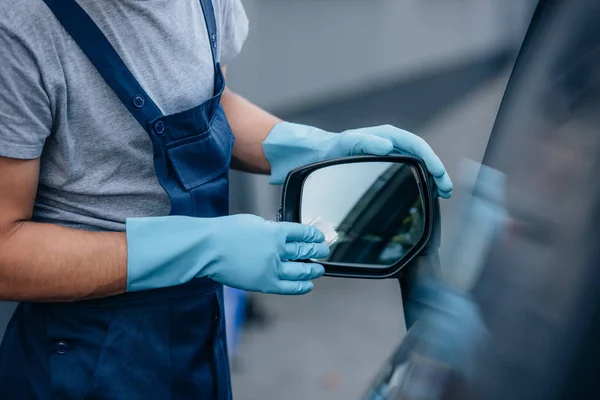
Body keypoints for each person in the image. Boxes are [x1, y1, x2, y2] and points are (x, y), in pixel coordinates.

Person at [0, 0, 453, 398]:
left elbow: (211, 102)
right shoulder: (18, 25)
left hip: (197, 333)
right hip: (82, 359)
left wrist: (314, 147)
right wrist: (204, 248)